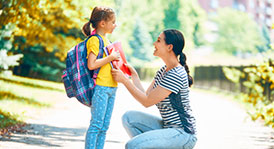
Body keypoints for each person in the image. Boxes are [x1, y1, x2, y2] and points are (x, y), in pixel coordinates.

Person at [112, 29, 197, 149]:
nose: (154, 44)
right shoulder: (164, 70)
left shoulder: (176, 74)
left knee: (133, 145)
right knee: (129, 118)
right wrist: (134, 77)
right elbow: (146, 95)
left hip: (183, 133)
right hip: (168, 127)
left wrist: (125, 81)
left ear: (169, 47)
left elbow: (147, 102)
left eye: (158, 41)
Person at [82, 6, 120, 149]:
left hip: (112, 87)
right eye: (113, 22)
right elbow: (91, 64)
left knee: (104, 127)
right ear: (102, 23)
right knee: (96, 125)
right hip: (101, 87)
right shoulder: (95, 40)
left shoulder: (108, 41)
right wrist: (110, 57)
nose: (115, 25)